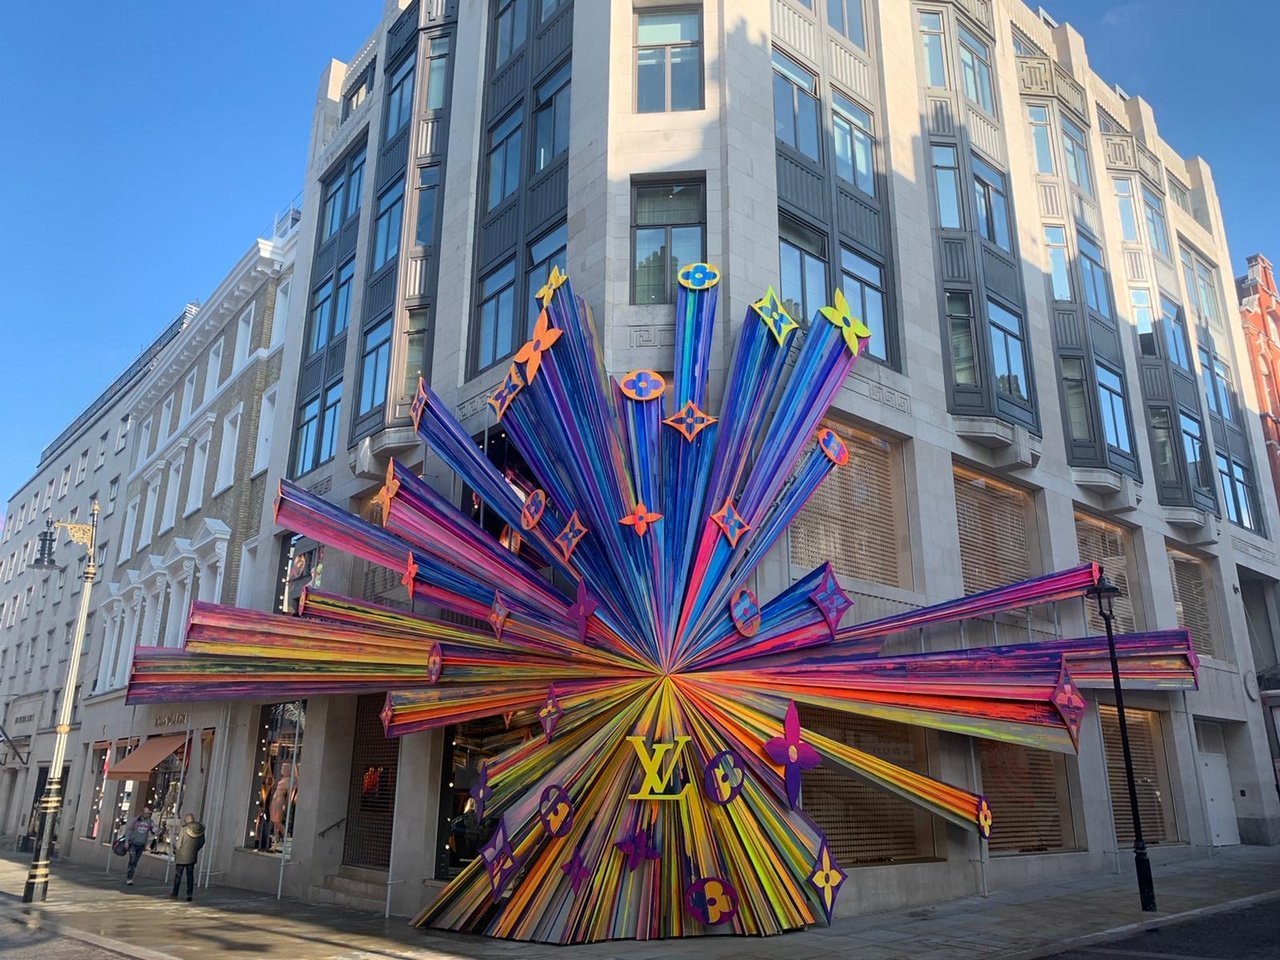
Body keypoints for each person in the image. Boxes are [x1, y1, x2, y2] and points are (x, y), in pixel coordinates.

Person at [170, 813, 205, 902]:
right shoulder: (200, 829)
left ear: (187, 820)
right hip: (192, 856)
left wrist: (175, 849)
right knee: (190, 876)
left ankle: (175, 893)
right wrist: (195, 850)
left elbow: (178, 844)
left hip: (181, 855)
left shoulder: (184, 829)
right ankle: (189, 894)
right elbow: (202, 842)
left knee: (178, 875)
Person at [122, 807, 157, 885]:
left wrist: (155, 830)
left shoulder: (150, 822)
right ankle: (129, 878)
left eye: (149, 813)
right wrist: (126, 842)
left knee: (135, 862)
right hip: (133, 843)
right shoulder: (135, 820)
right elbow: (128, 831)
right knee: (132, 859)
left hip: (141, 845)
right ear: (142, 813)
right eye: (146, 813)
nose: (148, 815)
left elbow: (152, 832)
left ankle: (131, 875)